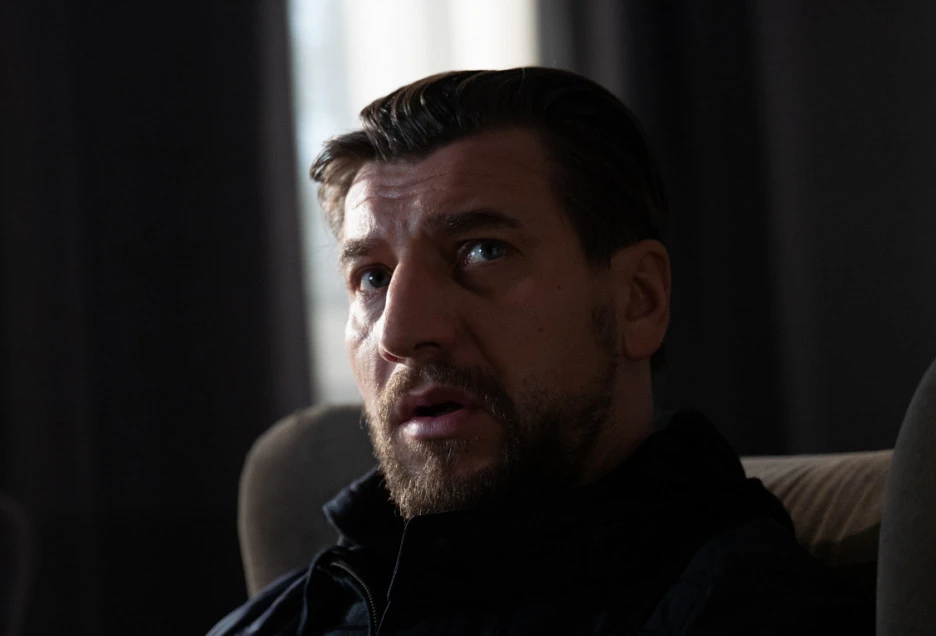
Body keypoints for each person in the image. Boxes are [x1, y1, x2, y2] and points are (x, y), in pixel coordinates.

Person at [210, 67, 871, 635]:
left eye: (482, 251)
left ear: (638, 301)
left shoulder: (741, 606)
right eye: (373, 278)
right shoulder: (300, 605)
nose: (400, 332)